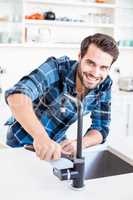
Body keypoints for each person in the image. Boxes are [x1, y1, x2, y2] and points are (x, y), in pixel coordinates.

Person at [5, 33, 119, 160]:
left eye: (103, 67)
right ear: (80, 57)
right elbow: (17, 95)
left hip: (56, 147)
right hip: (21, 143)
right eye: (91, 63)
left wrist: (80, 144)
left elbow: (101, 128)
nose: (96, 73)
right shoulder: (57, 68)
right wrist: (41, 137)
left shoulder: (104, 84)